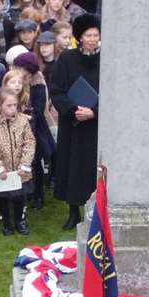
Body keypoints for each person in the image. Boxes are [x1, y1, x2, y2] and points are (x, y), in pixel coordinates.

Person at [46, 18, 102, 228]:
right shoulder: (67, 59)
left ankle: (98, 210)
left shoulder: (107, 59)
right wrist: (74, 110)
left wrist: (94, 112)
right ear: (79, 38)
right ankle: (73, 212)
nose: (93, 40)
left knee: (94, 168)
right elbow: (57, 90)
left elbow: (116, 94)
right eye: (88, 35)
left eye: (96, 35)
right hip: (73, 123)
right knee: (72, 166)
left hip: (97, 126)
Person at [0, 86, 36, 237]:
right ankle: (6, 222)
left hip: (20, 170)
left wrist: (25, 164)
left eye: (15, 105)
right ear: (0, 105)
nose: (13, 109)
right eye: (9, 105)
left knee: (20, 197)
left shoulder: (23, 122)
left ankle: (20, 221)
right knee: (3, 199)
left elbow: (29, 143)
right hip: (3, 171)